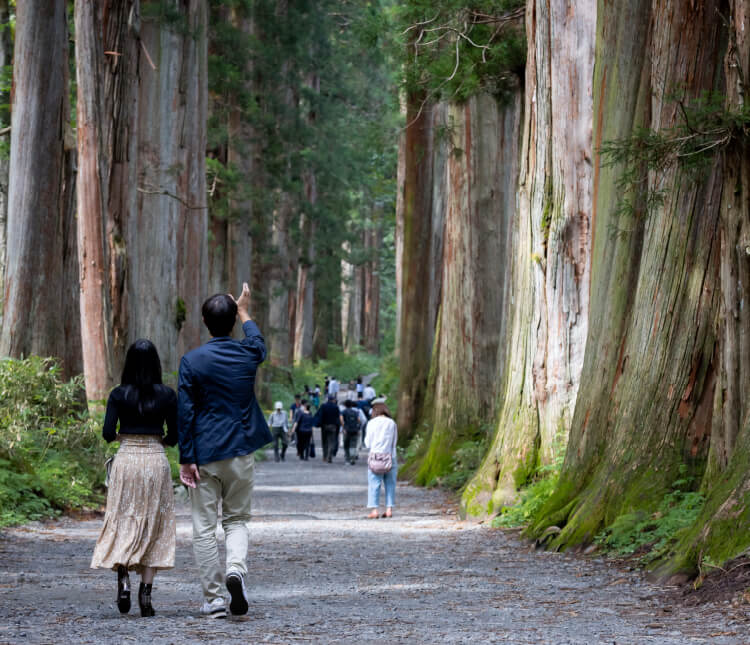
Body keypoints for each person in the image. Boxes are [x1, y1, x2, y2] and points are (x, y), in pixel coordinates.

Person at [178, 284, 272, 619]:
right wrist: (245, 310)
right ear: (233, 322)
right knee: (237, 520)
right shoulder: (248, 354)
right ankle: (236, 570)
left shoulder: (191, 361)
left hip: (203, 454)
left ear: (204, 321)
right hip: (240, 452)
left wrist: (185, 457)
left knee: (203, 527)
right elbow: (258, 343)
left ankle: (215, 599)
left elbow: (185, 412)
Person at [91, 339, 177, 618]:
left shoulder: (118, 394)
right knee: (154, 523)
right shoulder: (167, 395)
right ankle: (147, 594)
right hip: (155, 461)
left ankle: (124, 580)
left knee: (124, 518)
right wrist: (158, 440)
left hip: (126, 460)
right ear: (156, 364)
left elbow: (107, 432)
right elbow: (174, 436)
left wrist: (123, 438)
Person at [364, 398, 398, 519]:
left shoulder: (371, 423)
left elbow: (367, 443)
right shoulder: (392, 423)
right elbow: (394, 442)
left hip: (375, 457)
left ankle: (374, 510)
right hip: (390, 456)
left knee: (374, 483)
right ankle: (389, 509)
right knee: (390, 483)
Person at [313, 394, 342, 463]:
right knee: (332, 442)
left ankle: (324, 456)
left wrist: (318, 423)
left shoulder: (323, 406)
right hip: (333, 426)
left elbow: (319, 415)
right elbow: (338, 417)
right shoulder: (336, 407)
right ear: (333, 400)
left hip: (324, 426)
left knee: (324, 442)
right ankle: (329, 456)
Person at [341, 400, 365, 465]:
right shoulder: (355, 412)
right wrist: (358, 428)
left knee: (346, 445)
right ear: (351, 405)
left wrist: (344, 428)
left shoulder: (343, 412)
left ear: (345, 405)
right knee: (353, 445)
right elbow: (359, 421)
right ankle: (352, 458)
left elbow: (342, 421)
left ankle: (347, 459)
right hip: (355, 430)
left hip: (347, 431)